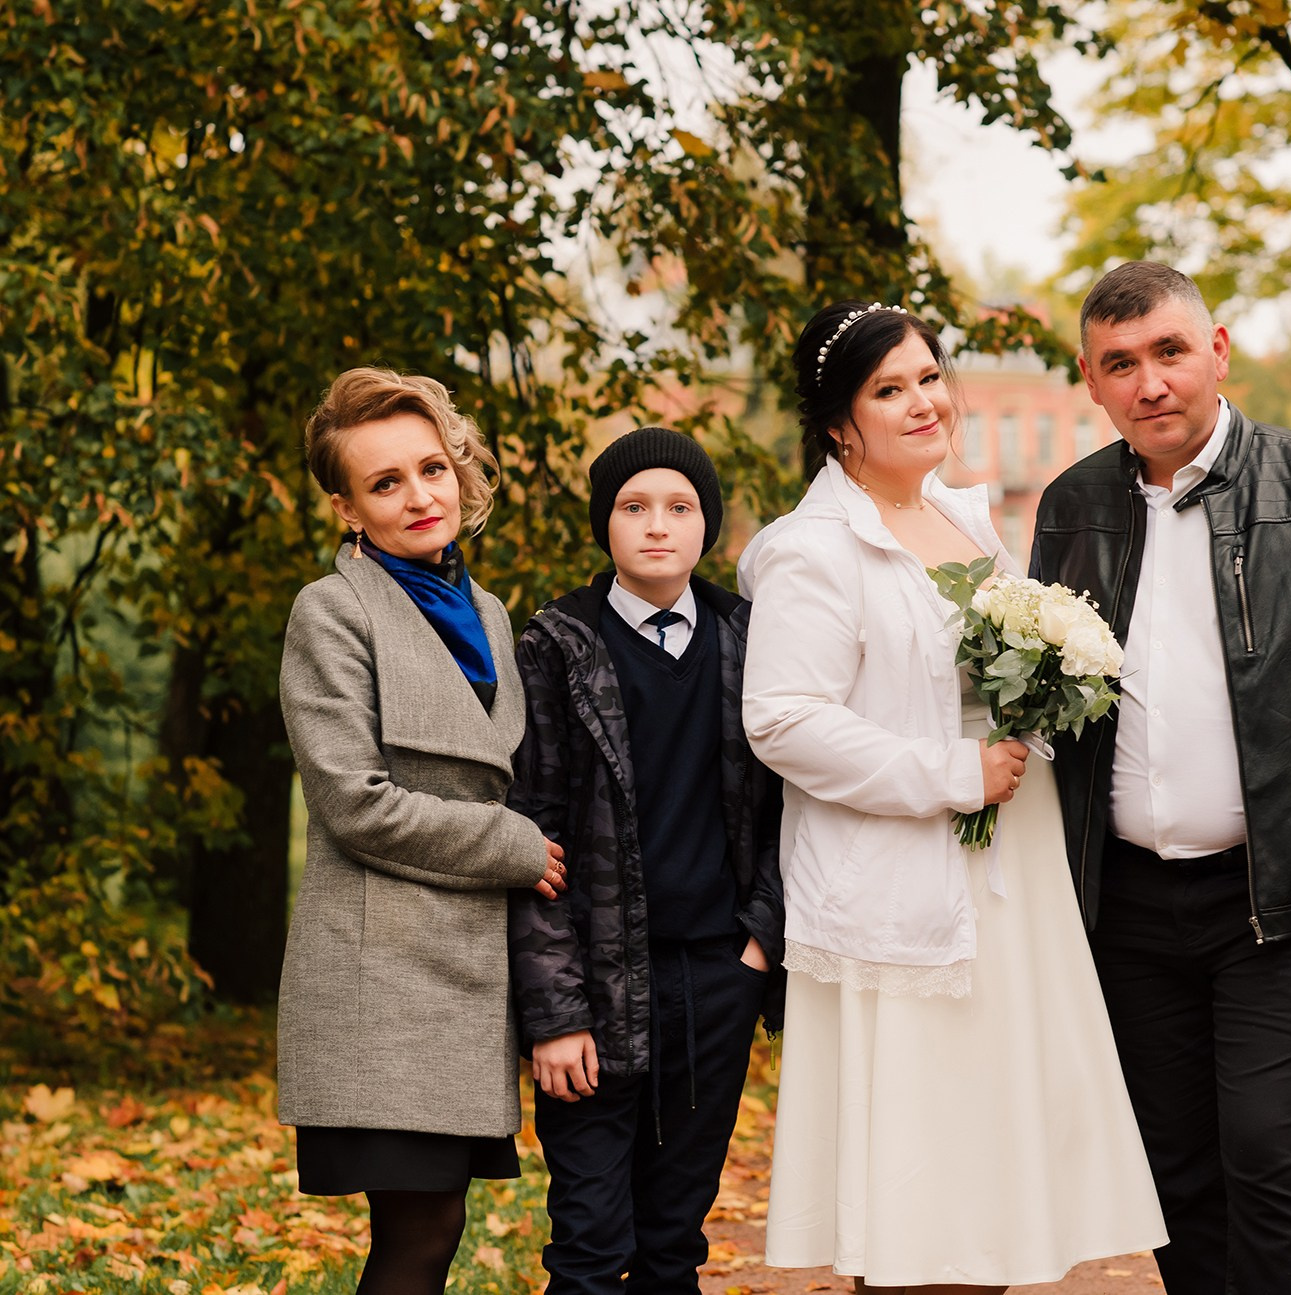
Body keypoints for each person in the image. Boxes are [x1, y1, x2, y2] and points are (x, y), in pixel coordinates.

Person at [1029, 261, 1291, 1295]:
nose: (1148, 382)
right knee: (1172, 1167)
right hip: (1123, 905)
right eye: (1119, 363)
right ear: (1090, 379)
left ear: (1216, 351)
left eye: (1168, 351)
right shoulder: (1071, 503)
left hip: (1281, 899)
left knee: (1265, 1143)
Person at [739, 299, 1168, 1292]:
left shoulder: (963, 518)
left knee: (989, 1202)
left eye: (928, 376)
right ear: (840, 421)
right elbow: (783, 718)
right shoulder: (813, 548)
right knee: (922, 1208)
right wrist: (947, 775)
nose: (922, 400)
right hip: (905, 904)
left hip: (1008, 886)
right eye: (888, 389)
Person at [278, 367, 567, 1295]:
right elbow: (353, 802)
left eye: (431, 469)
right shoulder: (332, 611)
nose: (418, 495)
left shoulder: (486, 612)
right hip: (378, 980)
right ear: (347, 508)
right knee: (420, 1227)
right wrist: (516, 847)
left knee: (435, 1226)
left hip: (467, 983)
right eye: (386, 482)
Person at [507, 426, 785, 1294]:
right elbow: (528, 834)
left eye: (680, 506)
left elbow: (790, 809)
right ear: (605, 522)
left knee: (675, 1241)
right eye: (634, 507)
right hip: (595, 987)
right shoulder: (554, 647)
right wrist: (552, 1014)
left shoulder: (751, 639)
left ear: (709, 525)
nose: (657, 526)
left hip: (715, 978)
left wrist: (758, 947)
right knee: (590, 1242)